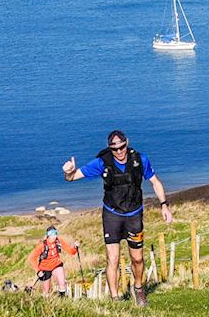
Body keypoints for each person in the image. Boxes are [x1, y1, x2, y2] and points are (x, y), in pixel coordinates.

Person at [62, 129, 173, 307]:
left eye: (122, 147)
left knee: (137, 258)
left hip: (134, 215)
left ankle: (138, 289)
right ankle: (115, 300)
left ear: (127, 143)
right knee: (112, 258)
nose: (119, 152)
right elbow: (73, 177)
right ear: (109, 148)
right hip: (112, 214)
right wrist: (69, 172)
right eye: (115, 149)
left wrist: (164, 205)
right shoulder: (102, 163)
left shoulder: (139, 159)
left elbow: (155, 182)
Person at [27, 225, 78, 296]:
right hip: (44, 269)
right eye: (51, 234)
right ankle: (47, 304)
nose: (54, 236)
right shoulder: (42, 246)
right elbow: (32, 258)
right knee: (46, 290)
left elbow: (71, 252)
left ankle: (62, 301)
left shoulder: (59, 241)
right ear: (48, 235)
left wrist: (75, 247)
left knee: (62, 283)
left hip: (56, 265)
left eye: (55, 234)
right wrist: (38, 271)